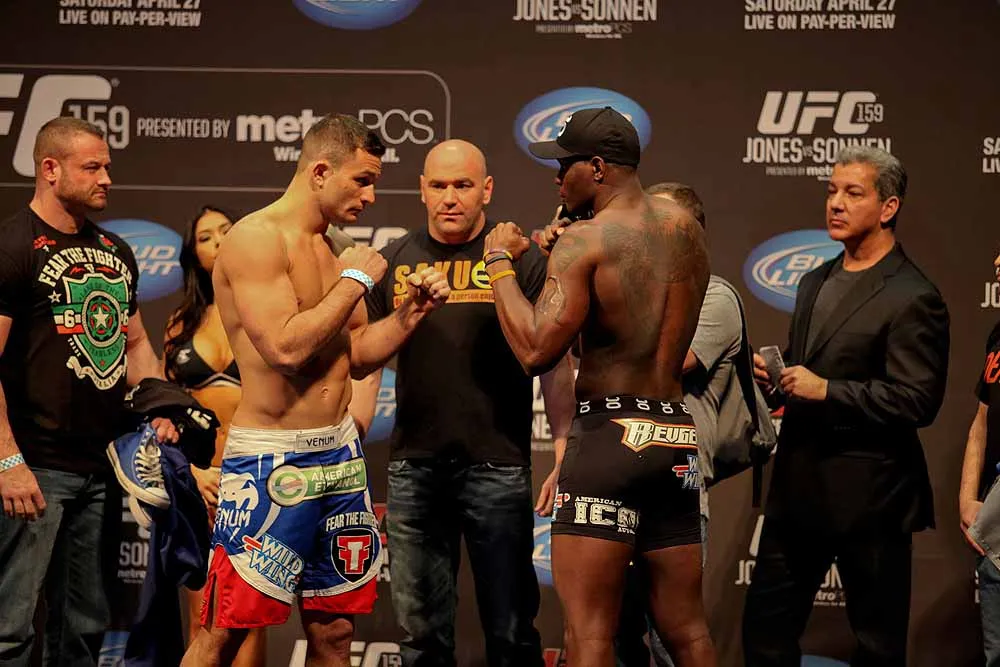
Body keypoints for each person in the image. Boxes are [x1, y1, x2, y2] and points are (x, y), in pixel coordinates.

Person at [180, 113, 449, 667]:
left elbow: (357, 354)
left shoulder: (335, 246)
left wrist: (410, 313)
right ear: (321, 171)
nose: (371, 196)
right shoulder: (255, 239)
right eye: (363, 180)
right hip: (271, 462)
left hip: (340, 459)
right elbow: (284, 349)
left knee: (335, 632)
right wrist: (354, 281)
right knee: (223, 630)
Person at [483, 107, 717, 667]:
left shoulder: (585, 241)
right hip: (673, 436)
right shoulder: (684, 227)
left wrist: (497, 264)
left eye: (563, 165)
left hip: (609, 437)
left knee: (589, 634)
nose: (556, 177)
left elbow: (536, 349)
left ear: (596, 167)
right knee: (688, 631)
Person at [365, 139, 575, 667]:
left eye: (462, 185)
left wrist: (563, 450)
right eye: (438, 185)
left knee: (512, 631)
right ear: (421, 190)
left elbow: (553, 365)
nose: (450, 197)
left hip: (498, 465)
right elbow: (363, 360)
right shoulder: (395, 260)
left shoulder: (519, 260)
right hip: (415, 468)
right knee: (420, 638)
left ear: (487, 189)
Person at [742, 146, 950, 667]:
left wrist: (827, 390)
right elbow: (812, 367)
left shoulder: (913, 295)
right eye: (832, 191)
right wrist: (778, 380)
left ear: (888, 207)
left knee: (877, 647)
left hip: (872, 498)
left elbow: (918, 399)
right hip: (797, 491)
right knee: (764, 635)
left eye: (853, 193)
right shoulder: (814, 280)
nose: (835, 203)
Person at [0, 117, 177, 666]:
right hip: (33, 467)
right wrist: (7, 460)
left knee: (83, 629)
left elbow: (136, 343)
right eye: (92, 167)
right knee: (10, 629)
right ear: (50, 170)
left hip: (100, 469)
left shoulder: (115, 250)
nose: (106, 178)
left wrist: (159, 405)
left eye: (107, 167)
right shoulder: (12, 246)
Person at [607, 182, 755, 667]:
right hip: (614, 482)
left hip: (675, 488)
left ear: (692, 234)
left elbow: (664, 363)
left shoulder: (715, 296)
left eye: (659, 222)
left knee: (669, 639)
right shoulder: (623, 289)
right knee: (616, 636)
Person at [164, 205, 266, 666]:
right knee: (203, 613)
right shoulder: (179, 323)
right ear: (194, 253)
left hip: (256, 473)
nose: (219, 241)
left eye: (227, 230)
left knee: (249, 615)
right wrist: (189, 471)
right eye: (206, 237)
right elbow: (167, 409)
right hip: (200, 478)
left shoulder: (266, 310)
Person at [959, 250, 1000, 667]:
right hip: (995, 518)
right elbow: (982, 420)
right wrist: (968, 497)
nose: (998, 262)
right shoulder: (998, 335)